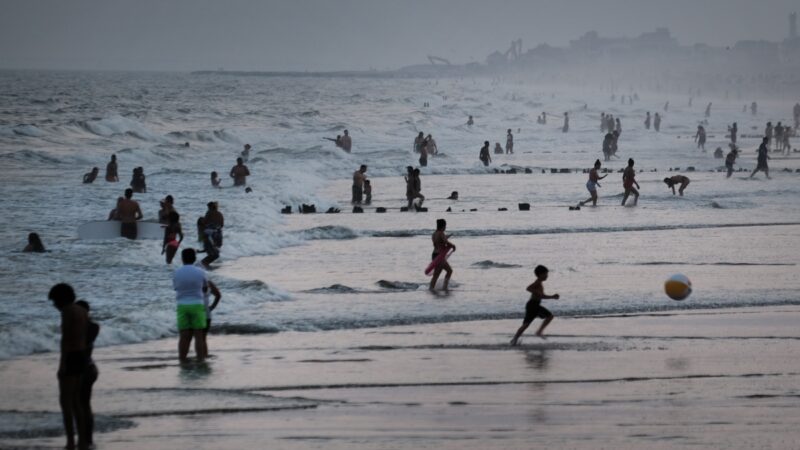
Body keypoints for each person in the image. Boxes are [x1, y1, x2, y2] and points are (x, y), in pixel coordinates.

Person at [49, 283, 90, 450]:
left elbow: (65, 339)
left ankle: (70, 441)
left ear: (60, 299)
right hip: (82, 356)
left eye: (54, 301)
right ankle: (82, 439)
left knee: (65, 403)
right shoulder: (82, 311)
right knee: (77, 403)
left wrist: (61, 365)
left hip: (71, 357)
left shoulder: (67, 311)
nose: (54, 305)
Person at [172, 248, 209, 362]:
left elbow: (175, 287)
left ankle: (182, 360)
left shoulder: (177, 272)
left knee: (183, 335)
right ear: (194, 258)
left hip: (182, 305)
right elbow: (205, 287)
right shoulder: (200, 272)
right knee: (199, 335)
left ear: (182, 258)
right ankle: (200, 360)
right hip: (197, 304)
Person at [510, 265, 560, 345]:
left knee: (526, 324)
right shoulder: (537, 282)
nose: (547, 276)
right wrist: (536, 292)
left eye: (547, 274)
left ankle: (514, 339)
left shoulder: (539, 283)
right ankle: (539, 332)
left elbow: (542, 296)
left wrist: (552, 297)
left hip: (532, 305)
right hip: (533, 305)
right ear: (540, 274)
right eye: (545, 274)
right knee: (549, 316)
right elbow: (528, 288)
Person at [75, 300, 99, 450]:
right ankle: (87, 438)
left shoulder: (82, 328)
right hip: (90, 367)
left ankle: (82, 439)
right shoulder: (93, 326)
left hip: (81, 369)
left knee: (79, 405)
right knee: (85, 405)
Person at [429, 218, 455, 291]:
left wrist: (446, 237)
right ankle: (444, 287)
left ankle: (431, 288)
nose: (445, 227)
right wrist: (453, 246)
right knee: (449, 271)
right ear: (443, 226)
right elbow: (445, 242)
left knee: (437, 274)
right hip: (439, 256)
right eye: (445, 226)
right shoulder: (441, 233)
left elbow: (438, 242)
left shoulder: (434, 234)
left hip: (434, 255)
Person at [201, 280, 221, 358]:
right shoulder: (208, 282)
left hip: (196, 313)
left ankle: (200, 357)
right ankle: (204, 356)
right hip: (207, 314)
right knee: (203, 338)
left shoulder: (193, 283)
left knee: (194, 337)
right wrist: (211, 307)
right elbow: (218, 295)